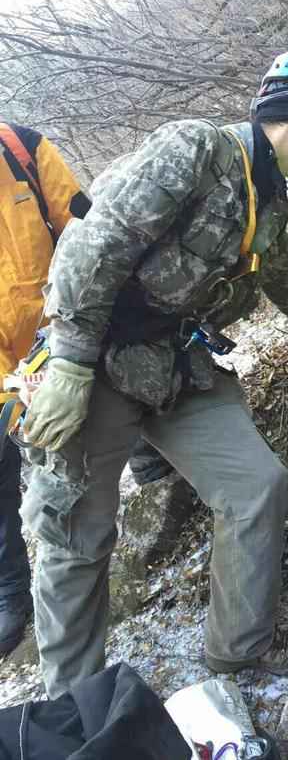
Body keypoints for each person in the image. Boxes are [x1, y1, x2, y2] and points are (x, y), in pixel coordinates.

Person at [21, 44, 288, 699]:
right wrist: (66, 359)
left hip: (176, 365)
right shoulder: (197, 149)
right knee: (76, 536)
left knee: (257, 484)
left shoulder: (270, 197)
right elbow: (95, 240)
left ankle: (241, 645)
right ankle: (75, 707)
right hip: (97, 360)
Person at [0, 123, 88, 656]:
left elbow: (85, 228)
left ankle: (150, 453)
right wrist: (12, 386)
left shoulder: (21, 149)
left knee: (112, 376)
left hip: (63, 321)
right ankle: (11, 591)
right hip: (5, 359)